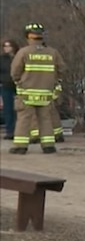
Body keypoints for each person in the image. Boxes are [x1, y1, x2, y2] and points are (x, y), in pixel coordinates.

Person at [9, 23, 65, 154]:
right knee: (45, 119)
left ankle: (20, 147)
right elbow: (62, 69)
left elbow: (14, 72)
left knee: (24, 119)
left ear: (29, 37)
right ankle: (48, 146)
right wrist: (54, 82)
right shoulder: (53, 53)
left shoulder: (23, 52)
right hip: (45, 93)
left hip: (27, 93)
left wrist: (19, 82)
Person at [0, 38, 19, 140]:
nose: (6, 48)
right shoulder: (2, 59)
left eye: (8, 46)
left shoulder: (19, 57)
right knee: (8, 109)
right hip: (5, 86)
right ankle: (10, 131)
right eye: (4, 46)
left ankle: (20, 131)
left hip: (18, 86)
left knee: (19, 109)